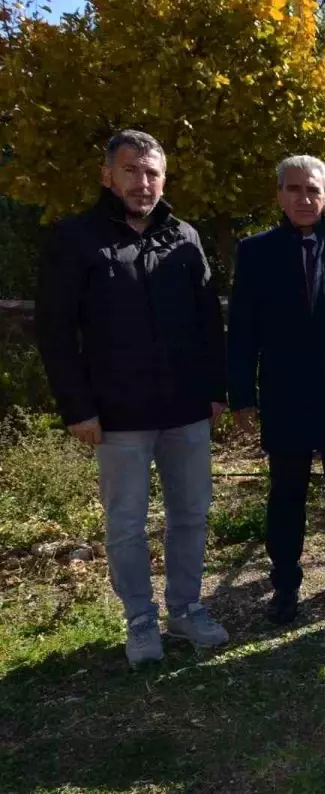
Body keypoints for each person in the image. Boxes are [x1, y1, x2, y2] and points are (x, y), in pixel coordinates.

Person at [35, 130, 229, 666]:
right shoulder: (76, 239)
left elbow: (208, 322)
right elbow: (55, 331)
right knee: (126, 522)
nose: (142, 183)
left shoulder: (184, 237)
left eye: (152, 173)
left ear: (163, 179)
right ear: (107, 176)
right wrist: (77, 406)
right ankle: (140, 620)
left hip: (185, 408)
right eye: (130, 171)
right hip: (117, 412)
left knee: (191, 513)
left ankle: (186, 609)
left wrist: (215, 391)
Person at [227, 155, 325, 625]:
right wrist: (242, 396)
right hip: (284, 394)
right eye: (294, 189)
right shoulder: (255, 253)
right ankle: (285, 583)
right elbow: (242, 330)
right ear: (279, 195)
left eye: (313, 190)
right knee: (287, 490)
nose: (304, 198)